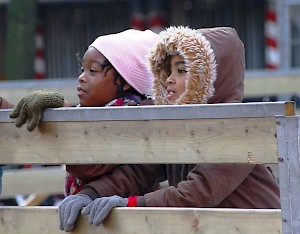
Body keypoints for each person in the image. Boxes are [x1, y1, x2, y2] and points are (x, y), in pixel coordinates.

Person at [73, 26, 280, 228]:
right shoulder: (179, 126)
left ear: (208, 78)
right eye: (168, 70)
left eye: (181, 71)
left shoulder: (239, 129)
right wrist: (92, 193)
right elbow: (142, 170)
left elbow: (199, 190)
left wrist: (134, 204)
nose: (169, 79)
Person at [7, 29, 159, 230]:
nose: (81, 78)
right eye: (82, 69)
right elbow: (21, 126)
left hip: (124, 224)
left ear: (124, 80)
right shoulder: (91, 114)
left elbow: (88, 165)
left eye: (92, 71)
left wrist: (65, 112)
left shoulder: (132, 116)